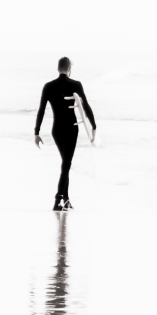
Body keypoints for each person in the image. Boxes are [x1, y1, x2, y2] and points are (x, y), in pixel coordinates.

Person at [34, 57, 96, 211]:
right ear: (69, 68)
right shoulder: (75, 84)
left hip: (56, 130)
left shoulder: (48, 86)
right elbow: (86, 106)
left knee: (65, 165)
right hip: (71, 128)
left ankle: (66, 200)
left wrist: (37, 132)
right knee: (66, 165)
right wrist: (94, 126)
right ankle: (58, 199)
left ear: (58, 68)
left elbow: (41, 110)